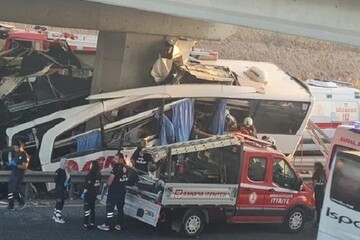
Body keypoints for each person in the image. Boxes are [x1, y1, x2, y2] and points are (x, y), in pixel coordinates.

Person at [98, 152, 128, 231]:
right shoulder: (125, 168)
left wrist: (106, 186)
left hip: (114, 192)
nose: (114, 160)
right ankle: (119, 225)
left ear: (121, 159)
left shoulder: (116, 168)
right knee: (120, 209)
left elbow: (111, 179)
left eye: (116, 159)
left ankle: (107, 225)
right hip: (122, 192)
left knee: (110, 208)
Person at [7, 140, 29, 210]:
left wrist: (16, 165)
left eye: (16, 147)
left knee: (13, 189)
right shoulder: (16, 154)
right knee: (12, 189)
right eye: (14, 147)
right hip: (14, 173)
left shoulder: (23, 154)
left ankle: (12, 205)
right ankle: (19, 203)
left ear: (19, 147)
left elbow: (24, 166)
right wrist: (11, 165)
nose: (15, 149)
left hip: (19, 174)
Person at [81, 160, 101, 229]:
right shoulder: (99, 174)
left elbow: (87, 185)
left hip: (89, 194)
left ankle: (85, 223)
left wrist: (83, 193)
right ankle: (92, 222)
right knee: (92, 209)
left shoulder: (90, 175)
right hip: (94, 194)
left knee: (87, 209)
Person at [53, 158, 70, 223]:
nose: (66, 165)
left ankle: (55, 214)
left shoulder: (66, 171)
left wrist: (67, 184)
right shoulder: (58, 171)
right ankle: (58, 216)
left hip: (63, 190)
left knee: (60, 202)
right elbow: (56, 180)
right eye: (65, 163)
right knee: (59, 202)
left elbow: (68, 179)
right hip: (59, 190)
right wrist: (63, 183)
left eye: (67, 163)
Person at [312, 162, 326, 226]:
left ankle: (318, 221)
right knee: (322, 206)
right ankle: (323, 220)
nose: (313, 167)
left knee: (317, 207)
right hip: (322, 191)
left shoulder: (316, 173)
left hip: (317, 191)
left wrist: (312, 190)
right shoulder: (323, 173)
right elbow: (325, 182)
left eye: (314, 166)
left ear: (317, 166)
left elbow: (314, 182)